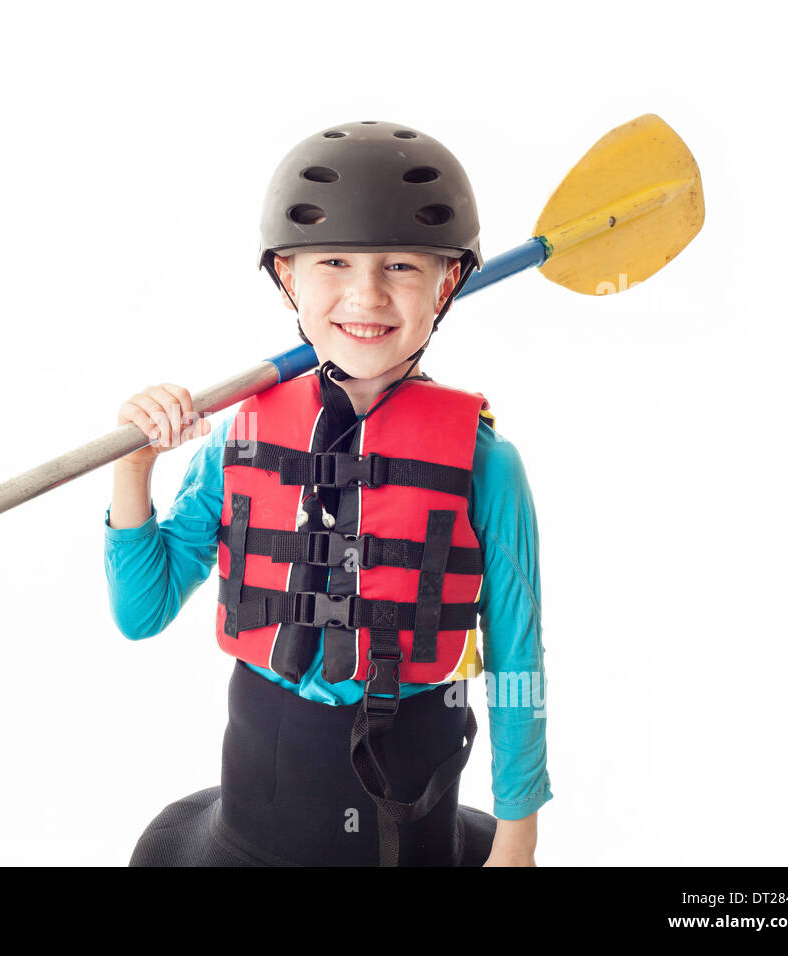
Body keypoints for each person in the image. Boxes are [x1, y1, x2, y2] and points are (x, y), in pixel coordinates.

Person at [104, 121, 551, 866]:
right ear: (287, 277)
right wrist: (133, 467)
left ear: (448, 283)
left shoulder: (488, 464)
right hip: (258, 815)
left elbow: (518, 664)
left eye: (402, 266)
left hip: (418, 817)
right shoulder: (239, 438)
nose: (366, 294)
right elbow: (141, 611)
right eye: (334, 262)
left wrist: (517, 844)